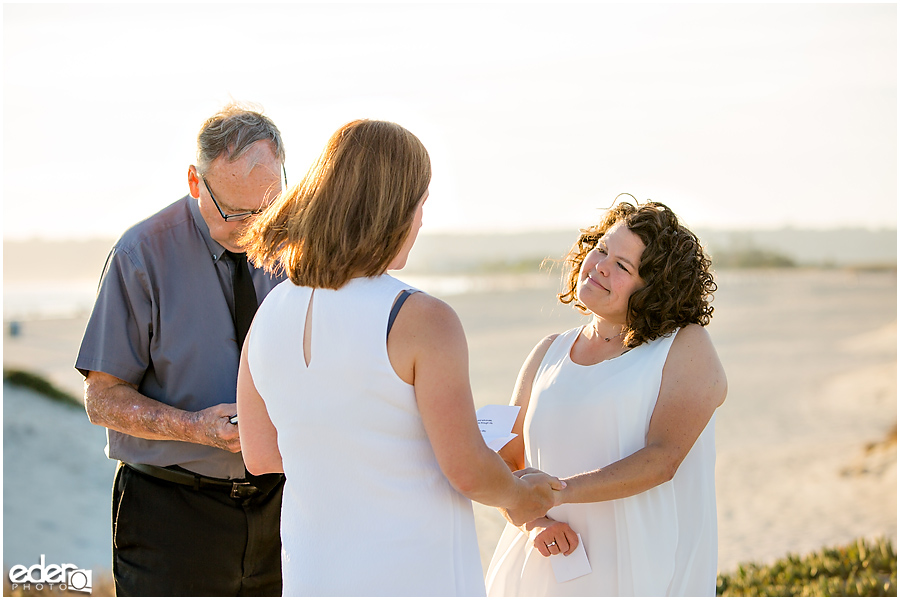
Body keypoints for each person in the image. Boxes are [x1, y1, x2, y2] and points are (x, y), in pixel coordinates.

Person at [236, 119, 565, 596]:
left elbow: (261, 455)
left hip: (313, 575)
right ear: (391, 208)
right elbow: (468, 469)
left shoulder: (269, 312)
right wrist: (524, 494)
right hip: (412, 576)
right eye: (421, 203)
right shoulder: (421, 318)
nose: (422, 220)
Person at [75, 102, 288, 596]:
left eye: (265, 208)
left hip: (283, 509)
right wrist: (195, 429)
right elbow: (101, 399)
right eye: (232, 211)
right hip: (171, 514)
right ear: (196, 182)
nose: (251, 229)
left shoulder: (291, 246)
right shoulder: (140, 255)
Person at [484, 200, 727, 596]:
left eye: (623, 266)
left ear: (655, 290)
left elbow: (662, 460)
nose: (600, 266)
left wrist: (559, 490)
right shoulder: (548, 353)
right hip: (542, 573)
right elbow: (507, 459)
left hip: (638, 574)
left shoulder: (683, 346)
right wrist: (534, 521)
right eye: (602, 250)